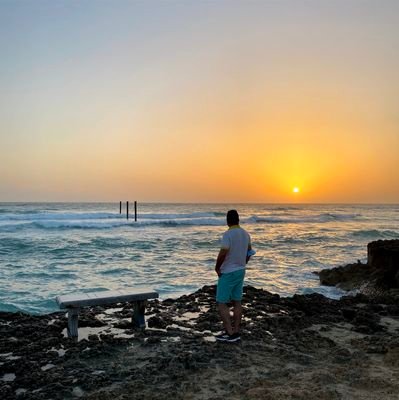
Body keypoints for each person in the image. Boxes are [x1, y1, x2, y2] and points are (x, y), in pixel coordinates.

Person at [214, 209, 252, 342]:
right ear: (238, 219)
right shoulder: (245, 234)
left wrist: (217, 267)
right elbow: (249, 252)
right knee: (237, 301)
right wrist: (243, 263)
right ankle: (236, 331)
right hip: (241, 270)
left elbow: (223, 253)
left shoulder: (228, 234)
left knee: (221, 302)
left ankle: (229, 332)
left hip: (228, 271)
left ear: (227, 220)